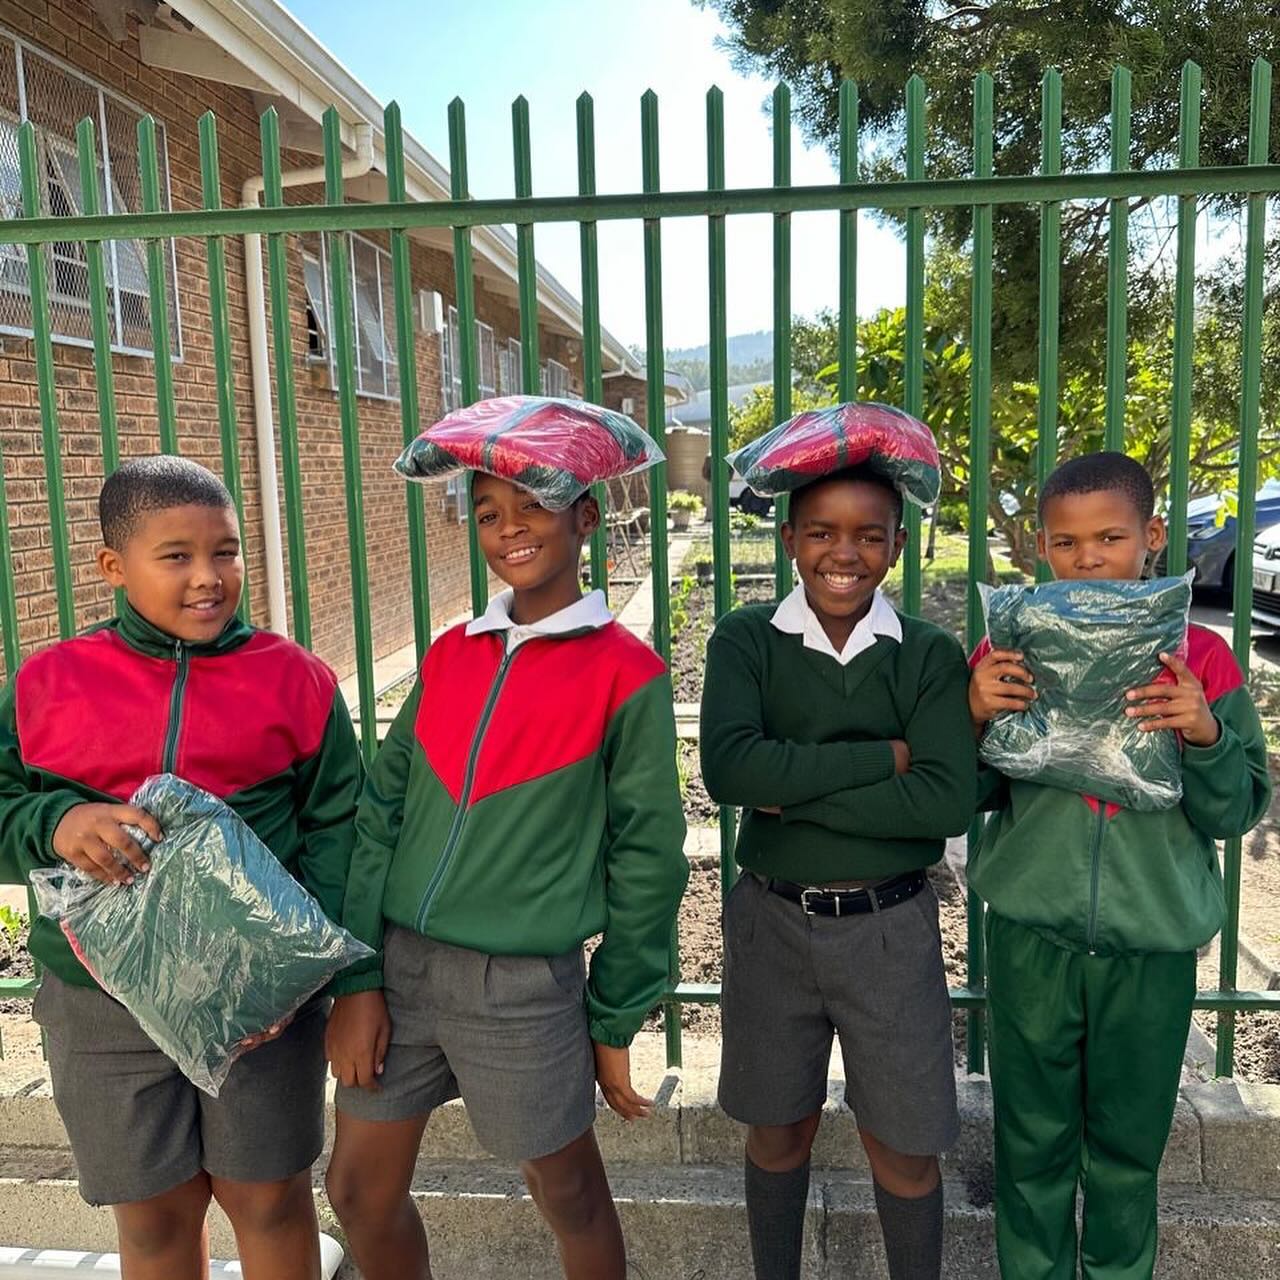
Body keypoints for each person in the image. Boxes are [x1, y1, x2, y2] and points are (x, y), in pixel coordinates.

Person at [0, 455, 362, 1280]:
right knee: (155, 1215)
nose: (208, 577)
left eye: (226, 551)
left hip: (262, 1007)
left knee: (268, 1199)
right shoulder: (47, 684)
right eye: (177, 556)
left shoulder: (295, 680)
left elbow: (341, 831)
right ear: (113, 566)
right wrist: (56, 822)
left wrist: (321, 979)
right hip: (100, 1001)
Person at [324, 470, 689, 1280]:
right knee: (355, 1189)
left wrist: (613, 1018)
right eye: (489, 512)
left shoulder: (627, 674)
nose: (510, 527)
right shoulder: (451, 653)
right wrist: (358, 977)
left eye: (533, 506)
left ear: (586, 516)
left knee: (568, 1194)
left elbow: (648, 858)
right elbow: (381, 810)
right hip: (401, 971)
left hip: (520, 989)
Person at [968, 451, 1272, 1280]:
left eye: (1110, 537)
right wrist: (974, 716)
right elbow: (970, 795)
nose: (1088, 558)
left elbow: (1238, 808)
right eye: (1066, 543)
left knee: (1129, 1151)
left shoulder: (1200, 657)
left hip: (1152, 945)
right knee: (1029, 1144)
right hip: (1032, 939)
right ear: (1041, 548)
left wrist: (1204, 734)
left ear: (1153, 537)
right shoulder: (1012, 649)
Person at [700, 462, 977, 1280]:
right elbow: (732, 772)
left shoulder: (927, 654)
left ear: (898, 544)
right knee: (778, 1132)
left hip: (890, 930)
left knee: (905, 1147)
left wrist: (791, 791)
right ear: (790, 538)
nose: (843, 552)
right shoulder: (746, 639)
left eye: (868, 534)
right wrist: (883, 758)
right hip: (772, 925)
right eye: (821, 532)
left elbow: (942, 803)